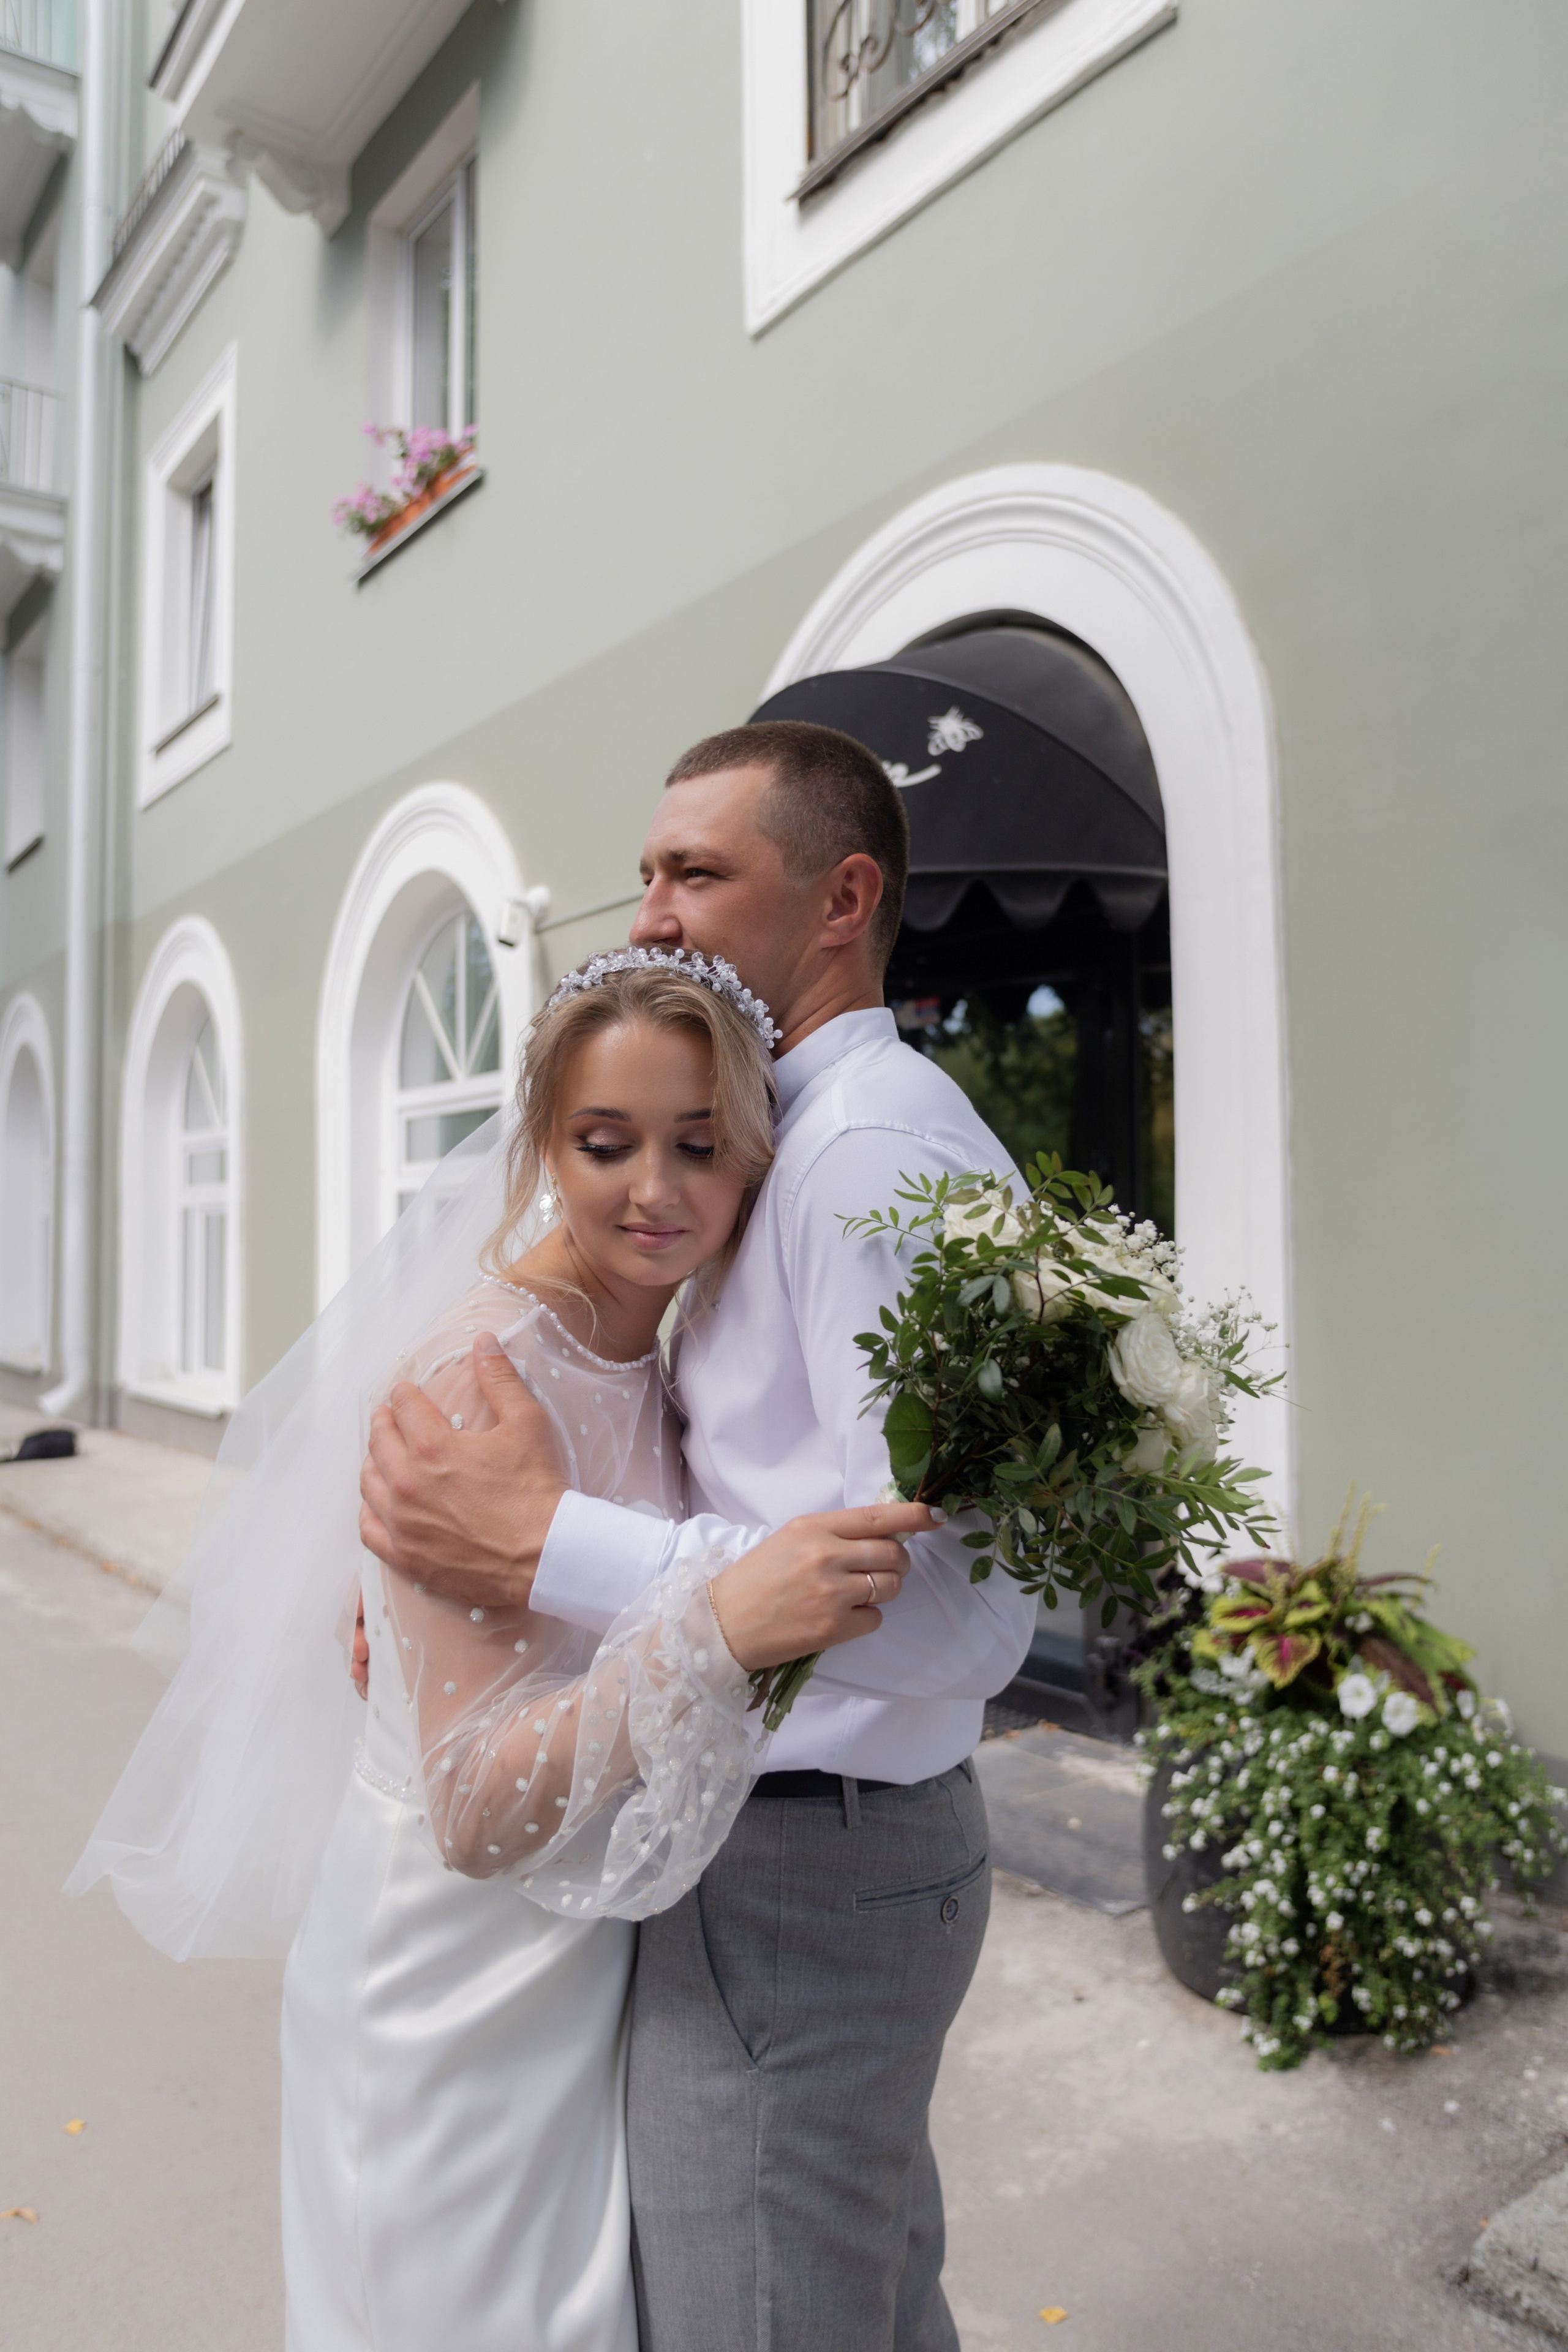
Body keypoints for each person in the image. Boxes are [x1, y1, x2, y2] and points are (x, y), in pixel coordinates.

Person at [74, 952, 929, 2352]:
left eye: (697, 1145)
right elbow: (470, 1806)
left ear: (754, 1156)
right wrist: (715, 1629)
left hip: (586, 1965)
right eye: (604, 1144)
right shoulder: (480, 1378)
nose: (653, 1190)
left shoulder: (666, 1346)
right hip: (446, 1985)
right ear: (541, 1145)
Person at [360, 720, 1038, 2352]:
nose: (651, 910)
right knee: (858, 2301)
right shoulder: (766, 1135)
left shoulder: (855, 1152)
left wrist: (551, 1550)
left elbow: (962, 1610)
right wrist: (434, 1590)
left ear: (841, 900)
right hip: (718, 1838)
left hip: (806, 1861)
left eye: (695, 872)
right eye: (647, 871)